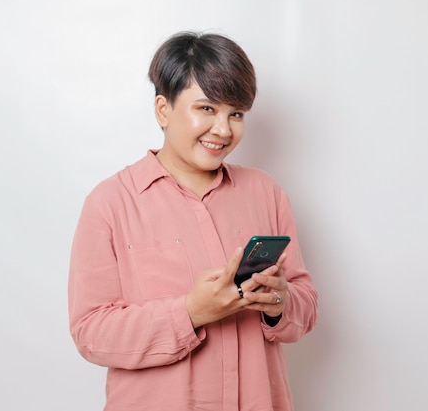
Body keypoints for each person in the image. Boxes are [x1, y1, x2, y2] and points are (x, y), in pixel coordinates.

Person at [68, 31, 318, 411]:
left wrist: (276, 303)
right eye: (206, 109)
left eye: (235, 113)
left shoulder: (266, 193)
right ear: (163, 110)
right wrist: (190, 312)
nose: (223, 129)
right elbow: (91, 333)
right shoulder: (110, 204)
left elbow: (305, 306)